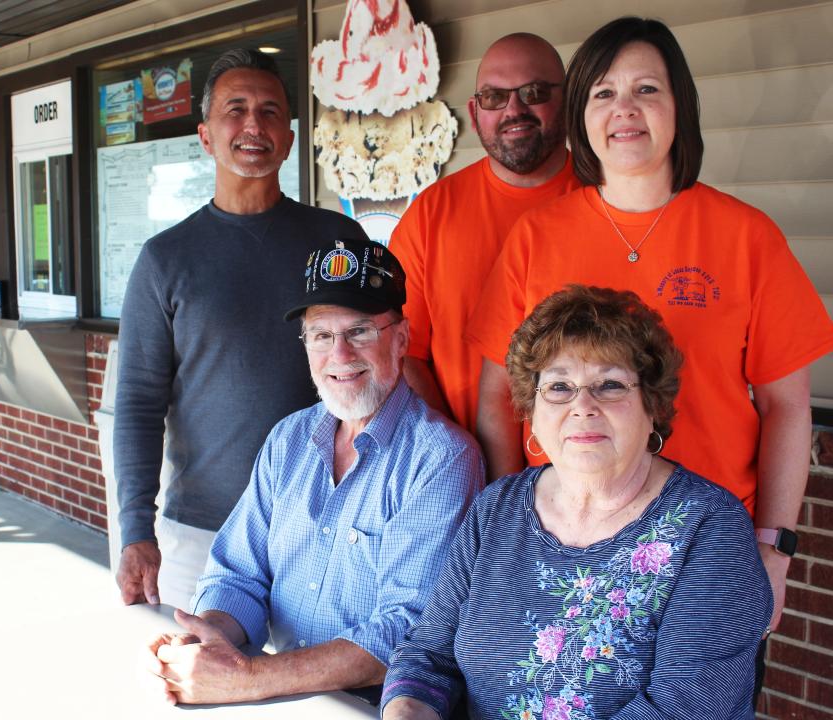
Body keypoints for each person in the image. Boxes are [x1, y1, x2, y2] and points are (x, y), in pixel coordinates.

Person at [468, 17, 833, 638]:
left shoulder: (746, 236)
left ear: (681, 107)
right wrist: (512, 528)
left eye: (647, 90)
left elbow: (788, 407)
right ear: (582, 113)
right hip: (564, 544)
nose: (624, 109)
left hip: (707, 551)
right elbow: (496, 398)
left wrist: (774, 549)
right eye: (604, 92)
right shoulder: (535, 237)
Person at [382, 285, 773, 720]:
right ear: (532, 410)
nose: (582, 406)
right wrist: (406, 708)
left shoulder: (710, 527)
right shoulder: (496, 510)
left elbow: (682, 709)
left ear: (652, 407)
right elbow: (427, 655)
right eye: (559, 387)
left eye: (609, 384)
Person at [145, 238, 484, 705]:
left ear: (402, 338)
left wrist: (246, 677)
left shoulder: (442, 459)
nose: (340, 355)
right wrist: (212, 640)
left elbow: (405, 631)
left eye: (360, 331)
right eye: (322, 335)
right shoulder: (289, 440)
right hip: (279, 692)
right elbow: (238, 573)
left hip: (373, 705)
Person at [114, 49, 370, 609]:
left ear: (290, 136)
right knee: (204, 678)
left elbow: (379, 368)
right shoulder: (166, 259)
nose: (254, 124)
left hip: (329, 522)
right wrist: (135, 529)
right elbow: (137, 402)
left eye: (270, 111)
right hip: (204, 531)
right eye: (236, 109)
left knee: (332, 693)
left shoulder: (338, 241)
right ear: (206, 136)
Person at [389, 32, 579, 437]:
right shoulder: (430, 214)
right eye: (494, 97)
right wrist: (457, 451)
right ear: (475, 115)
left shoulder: (606, 199)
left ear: (567, 101)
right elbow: (404, 352)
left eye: (533, 92)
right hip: (466, 466)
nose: (515, 109)